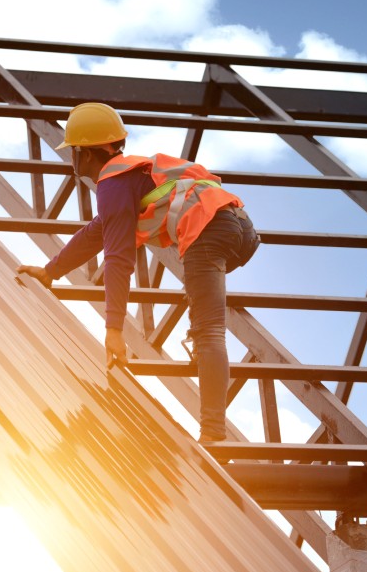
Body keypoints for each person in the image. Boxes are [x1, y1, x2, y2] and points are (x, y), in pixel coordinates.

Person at [17, 103, 259, 442]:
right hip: (241, 228)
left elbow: (118, 259)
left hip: (209, 230)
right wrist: (50, 271)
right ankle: (203, 345)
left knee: (210, 331)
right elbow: (99, 232)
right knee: (205, 315)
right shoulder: (131, 176)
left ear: (85, 153)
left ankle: (214, 434)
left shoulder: (113, 184)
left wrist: (114, 329)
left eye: (74, 151)